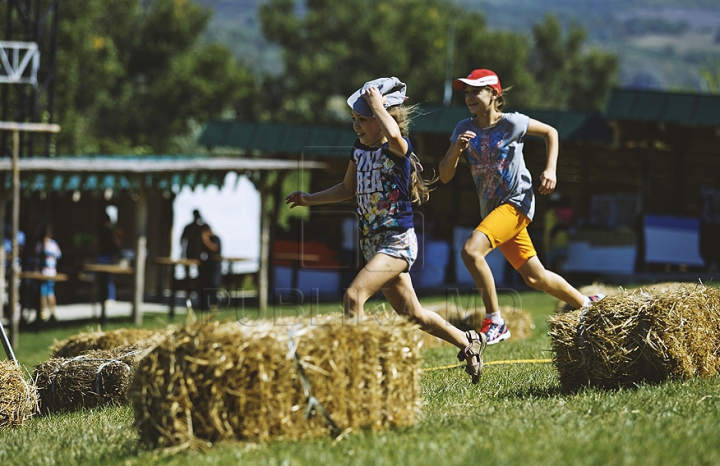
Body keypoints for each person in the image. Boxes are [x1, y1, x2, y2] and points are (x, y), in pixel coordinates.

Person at [285, 77, 488, 384]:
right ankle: (468, 341)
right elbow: (346, 187)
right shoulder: (358, 151)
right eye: (354, 119)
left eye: (363, 120)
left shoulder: (398, 148)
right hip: (373, 245)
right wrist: (308, 199)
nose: (356, 126)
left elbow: (393, 133)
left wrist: (379, 105)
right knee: (414, 315)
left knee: (353, 297)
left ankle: (360, 368)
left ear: (383, 119)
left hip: (397, 243)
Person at [439, 69, 604, 344]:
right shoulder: (461, 129)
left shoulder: (512, 123)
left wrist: (550, 170)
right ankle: (587, 304)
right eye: (466, 91)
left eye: (476, 90)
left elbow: (551, 132)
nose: (469, 96)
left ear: (494, 94)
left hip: (516, 203)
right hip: (494, 211)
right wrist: (456, 149)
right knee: (535, 277)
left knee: (471, 251)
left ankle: (495, 321)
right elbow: (445, 175)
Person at [35, 226, 62, 322]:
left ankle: (44, 312)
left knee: (43, 293)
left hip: (43, 272)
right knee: (49, 292)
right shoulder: (53, 244)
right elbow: (59, 255)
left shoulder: (39, 245)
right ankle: (51, 312)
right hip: (51, 272)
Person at [543, 192, 574, 272]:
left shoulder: (548, 213)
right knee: (558, 263)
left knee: (549, 263)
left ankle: (548, 282)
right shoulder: (557, 213)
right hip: (559, 240)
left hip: (550, 240)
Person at [97, 211, 122, 304]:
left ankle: (110, 297)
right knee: (105, 277)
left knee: (107, 277)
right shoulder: (105, 231)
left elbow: (117, 244)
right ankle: (105, 296)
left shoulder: (111, 232)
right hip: (104, 255)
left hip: (107, 256)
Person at [197, 223, 222, 311]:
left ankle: (214, 305)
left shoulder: (215, 239)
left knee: (213, 286)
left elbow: (214, 248)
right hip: (207, 267)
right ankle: (204, 306)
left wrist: (206, 239)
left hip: (215, 267)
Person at [699, 176, 720, 272]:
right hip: (710, 223)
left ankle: (711, 264)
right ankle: (711, 264)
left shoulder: (707, 193)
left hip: (710, 223)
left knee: (710, 245)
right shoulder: (707, 193)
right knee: (711, 245)